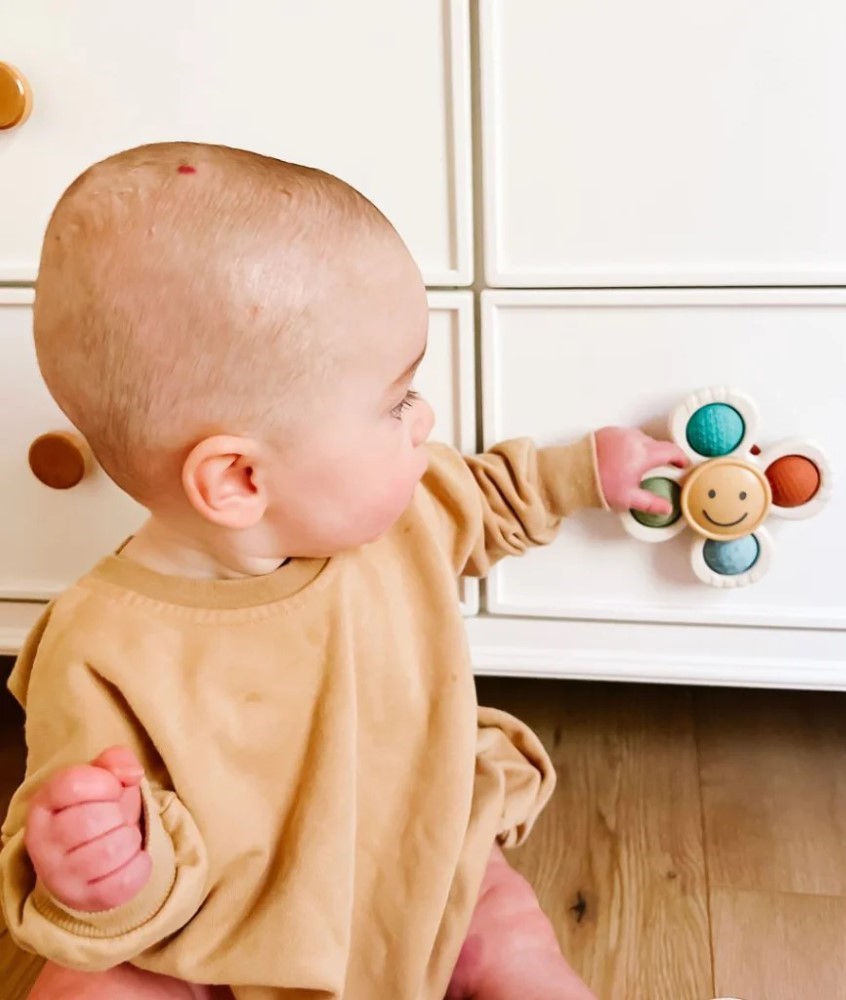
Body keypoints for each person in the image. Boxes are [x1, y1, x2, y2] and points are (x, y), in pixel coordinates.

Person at [0, 142, 687, 999]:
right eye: (395, 401)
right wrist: (100, 871)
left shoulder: (406, 508)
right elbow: (86, 812)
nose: (423, 417)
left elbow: (493, 497)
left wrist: (588, 471)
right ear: (240, 480)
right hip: (222, 920)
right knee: (85, 986)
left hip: (419, 862)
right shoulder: (104, 644)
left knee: (505, 934)